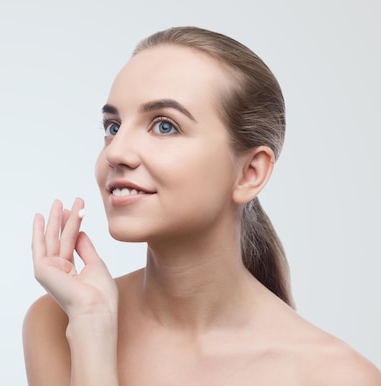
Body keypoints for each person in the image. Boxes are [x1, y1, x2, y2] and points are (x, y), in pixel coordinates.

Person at [22, 26, 381, 385]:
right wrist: (91, 327)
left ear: (250, 173)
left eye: (164, 126)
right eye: (113, 126)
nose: (114, 152)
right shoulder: (61, 322)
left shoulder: (334, 376)